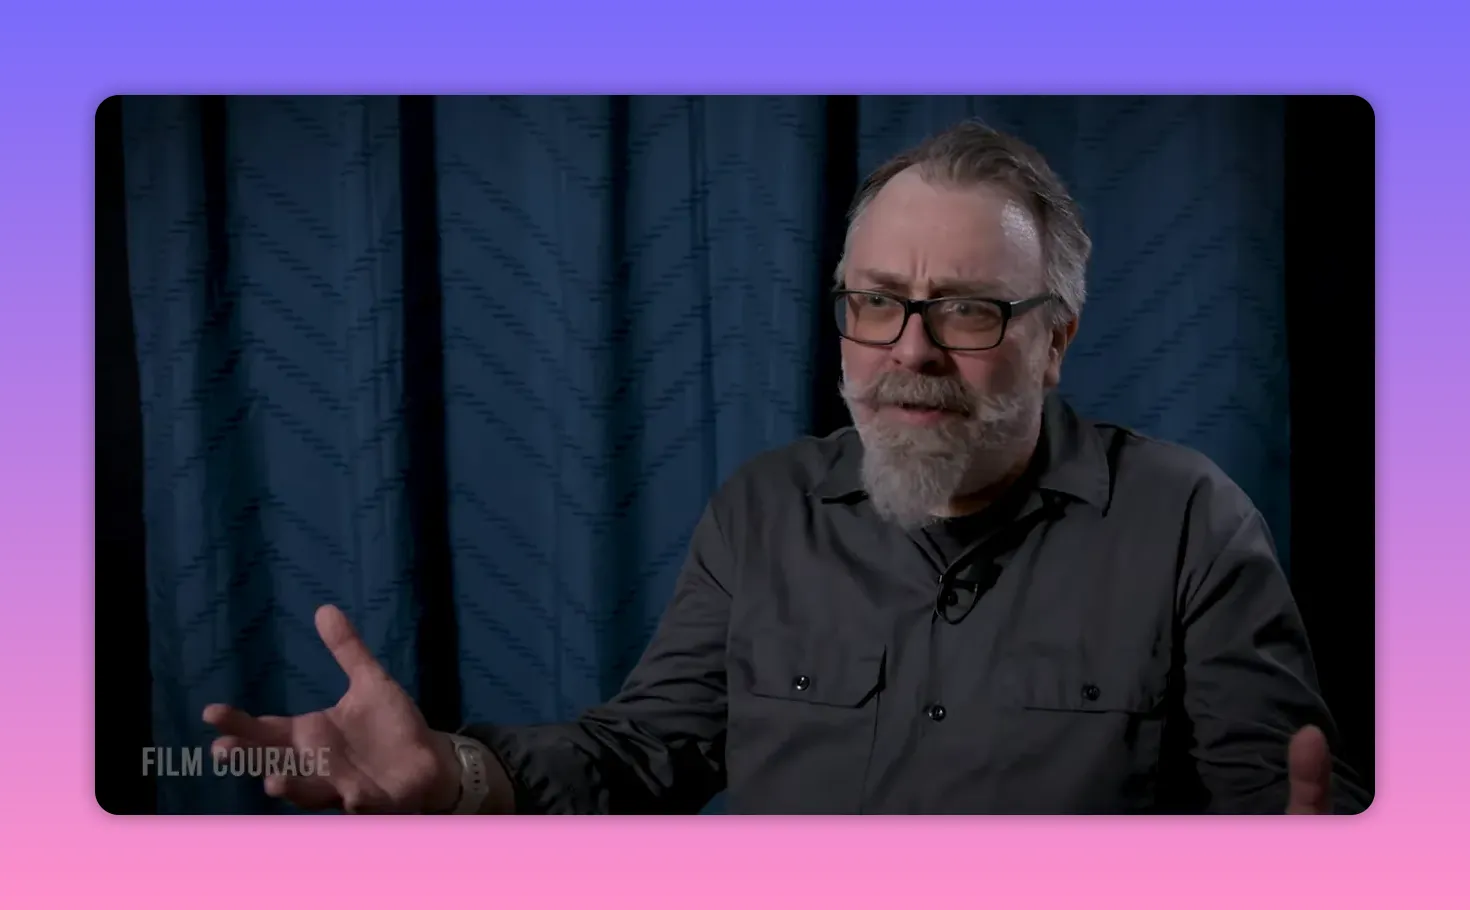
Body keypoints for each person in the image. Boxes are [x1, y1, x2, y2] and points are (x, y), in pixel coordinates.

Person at [203, 120, 1369, 815]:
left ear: (1054, 339)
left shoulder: (1188, 523)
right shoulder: (763, 510)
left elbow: (1289, 815)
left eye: (963, 310)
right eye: (874, 304)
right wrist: (456, 773)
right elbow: (637, 757)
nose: (908, 351)